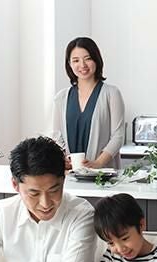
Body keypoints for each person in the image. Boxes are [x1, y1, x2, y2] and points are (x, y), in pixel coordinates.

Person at [52, 37, 125, 170]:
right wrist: (62, 159)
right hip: (71, 173)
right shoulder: (61, 98)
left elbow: (118, 136)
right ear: (69, 64)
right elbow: (57, 137)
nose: (82, 65)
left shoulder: (111, 93)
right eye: (76, 60)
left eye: (88, 58)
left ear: (96, 60)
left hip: (102, 173)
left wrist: (98, 163)